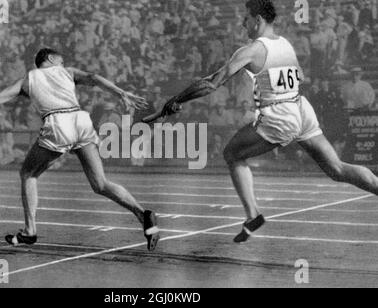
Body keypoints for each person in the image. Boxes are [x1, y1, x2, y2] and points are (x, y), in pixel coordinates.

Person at [155, 0, 378, 243]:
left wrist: (177, 99)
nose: (242, 23)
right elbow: (300, 75)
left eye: (246, 18)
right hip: (301, 108)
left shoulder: (251, 50)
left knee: (232, 153)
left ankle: (252, 214)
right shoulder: (285, 44)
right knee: (337, 169)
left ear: (258, 20)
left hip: (280, 115)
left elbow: (211, 83)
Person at [0, 48, 160, 251]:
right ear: (48, 58)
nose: (63, 63)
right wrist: (121, 92)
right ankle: (143, 214)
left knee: (28, 174)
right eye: (61, 59)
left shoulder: (27, 80)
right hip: (81, 121)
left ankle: (30, 231)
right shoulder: (67, 72)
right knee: (100, 183)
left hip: (58, 123)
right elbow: (94, 78)